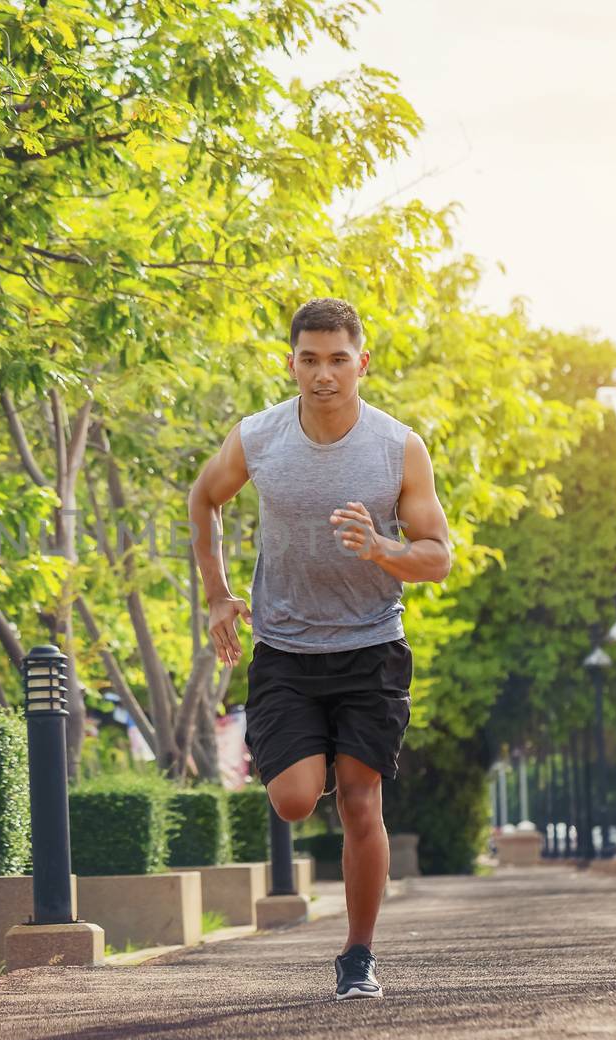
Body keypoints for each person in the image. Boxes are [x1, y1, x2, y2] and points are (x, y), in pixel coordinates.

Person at [187, 297, 452, 1000]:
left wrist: (382, 546)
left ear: (362, 363)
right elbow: (205, 496)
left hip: (371, 648)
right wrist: (217, 594)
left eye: (339, 359)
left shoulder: (399, 446)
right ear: (291, 363)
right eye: (310, 359)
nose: (324, 374)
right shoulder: (260, 436)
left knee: (362, 801)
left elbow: (437, 557)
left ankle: (358, 955)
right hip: (286, 649)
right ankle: (317, 750)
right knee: (296, 799)